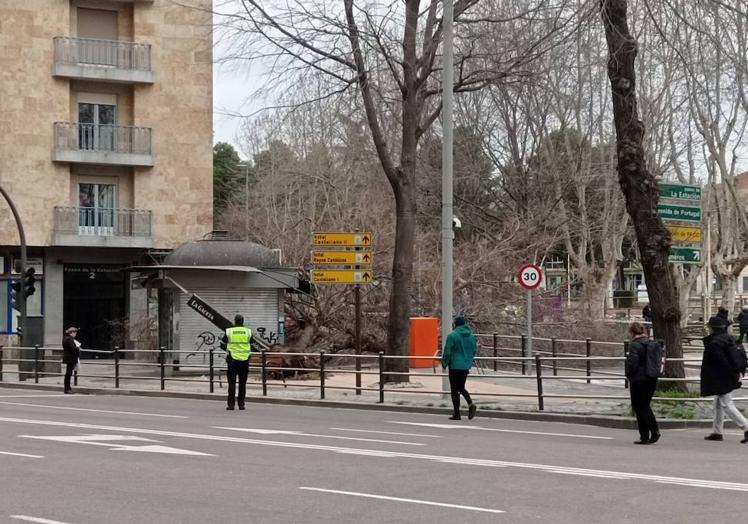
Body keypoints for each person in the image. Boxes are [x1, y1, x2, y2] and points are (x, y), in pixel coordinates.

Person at [701, 316, 748, 443]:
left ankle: (746, 426)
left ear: (712, 328)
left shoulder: (715, 343)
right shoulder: (729, 339)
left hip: (722, 376)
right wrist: (736, 373)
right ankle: (717, 431)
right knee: (718, 403)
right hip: (729, 375)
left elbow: (720, 362)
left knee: (726, 404)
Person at [625, 322, 660, 445]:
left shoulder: (634, 345)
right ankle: (653, 431)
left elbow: (633, 363)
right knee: (645, 405)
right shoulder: (650, 343)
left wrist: (629, 375)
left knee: (639, 406)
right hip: (651, 378)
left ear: (632, 332)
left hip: (639, 379)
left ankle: (646, 435)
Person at [441, 316, 477, 421]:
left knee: (454, 389)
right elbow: (474, 350)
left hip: (455, 365)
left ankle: (457, 414)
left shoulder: (452, 336)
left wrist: (444, 363)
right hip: (465, 366)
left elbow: (448, 351)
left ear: (455, 324)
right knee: (461, 387)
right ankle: (470, 404)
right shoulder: (471, 336)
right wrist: (469, 361)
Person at [221, 315, 254, 411]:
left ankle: (231, 405)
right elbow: (252, 345)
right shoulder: (248, 332)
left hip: (232, 360)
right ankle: (241, 405)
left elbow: (222, 345)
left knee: (231, 383)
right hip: (244, 361)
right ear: (242, 321)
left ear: (235, 321)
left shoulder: (229, 331)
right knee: (242, 383)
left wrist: (229, 351)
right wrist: (246, 353)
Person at [61, 327, 80, 394]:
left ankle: (67, 388)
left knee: (68, 373)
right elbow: (72, 348)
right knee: (68, 374)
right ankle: (67, 389)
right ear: (71, 333)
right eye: (75, 333)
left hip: (67, 357)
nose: (75, 334)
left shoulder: (65, 338)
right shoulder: (69, 339)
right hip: (70, 358)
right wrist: (77, 348)